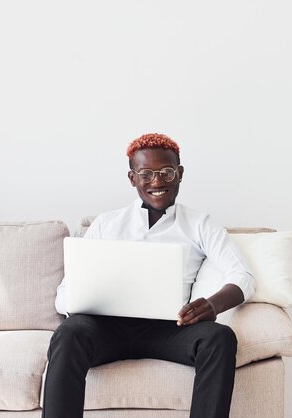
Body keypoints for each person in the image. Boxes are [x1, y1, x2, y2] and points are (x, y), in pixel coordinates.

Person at [42, 133, 255, 418]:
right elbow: (63, 294)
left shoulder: (200, 224)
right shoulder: (107, 224)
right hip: (107, 328)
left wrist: (212, 305)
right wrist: (81, 300)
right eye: (146, 174)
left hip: (170, 329)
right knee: (69, 333)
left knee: (220, 338)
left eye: (167, 172)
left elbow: (243, 276)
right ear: (132, 178)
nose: (157, 182)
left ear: (179, 174)